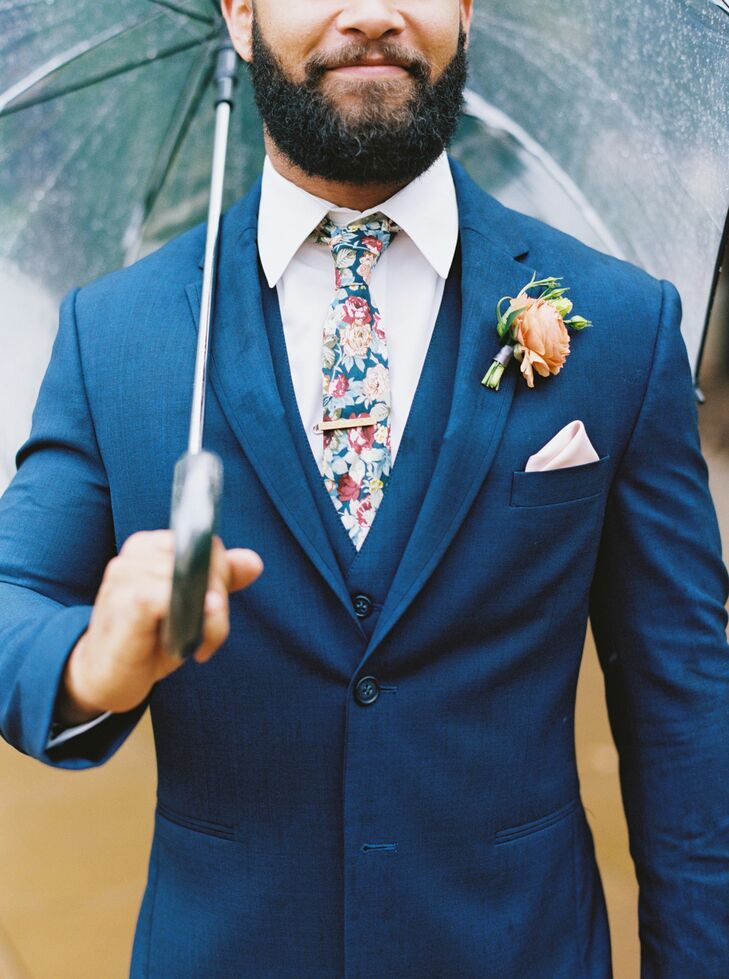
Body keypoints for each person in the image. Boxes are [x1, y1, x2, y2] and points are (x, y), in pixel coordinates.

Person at [0, 1, 727, 976]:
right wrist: (97, 663)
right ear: (242, 14)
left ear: (465, 10)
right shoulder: (115, 332)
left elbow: (687, 711)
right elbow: (12, 599)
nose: (375, 13)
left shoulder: (624, 323)